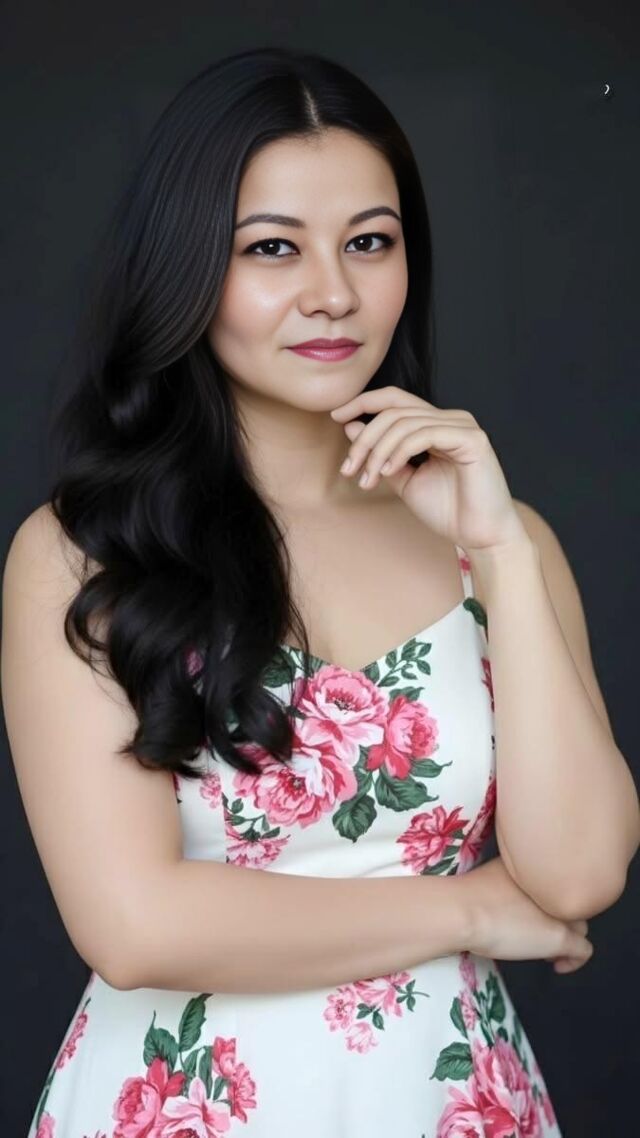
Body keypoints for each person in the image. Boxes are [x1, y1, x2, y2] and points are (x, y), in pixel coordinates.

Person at [2, 45, 638, 1138]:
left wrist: (499, 549)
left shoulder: (499, 542)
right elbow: (133, 925)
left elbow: (578, 876)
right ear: (184, 266)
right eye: (272, 248)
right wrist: (471, 907)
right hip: (190, 1105)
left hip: (453, 1101)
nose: (333, 293)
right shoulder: (85, 553)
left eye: (369, 242)